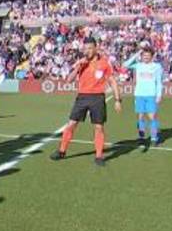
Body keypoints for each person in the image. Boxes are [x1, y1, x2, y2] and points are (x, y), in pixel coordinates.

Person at [50, 37, 123, 166]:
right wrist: (78, 66)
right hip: (82, 97)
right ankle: (62, 151)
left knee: (99, 127)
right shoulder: (82, 63)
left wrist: (117, 100)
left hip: (98, 98)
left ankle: (99, 156)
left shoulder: (104, 63)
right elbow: (68, 80)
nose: (87, 51)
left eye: (90, 48)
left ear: (96, 48)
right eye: (85, 48)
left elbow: (112, 81)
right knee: (71, 124)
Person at [123, 45, 165, 146]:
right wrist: (137, 53)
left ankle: (154, 138)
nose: (145, 57)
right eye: (144, 55)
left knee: (152, 116)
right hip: (139, 94)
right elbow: (125, 64)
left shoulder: (157, 66)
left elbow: (159, 82)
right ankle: (141, 137)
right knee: (140, 117)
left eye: (148, 55)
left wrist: (159, 95)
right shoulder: (138, 65)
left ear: (152, 56)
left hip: (151, 95)